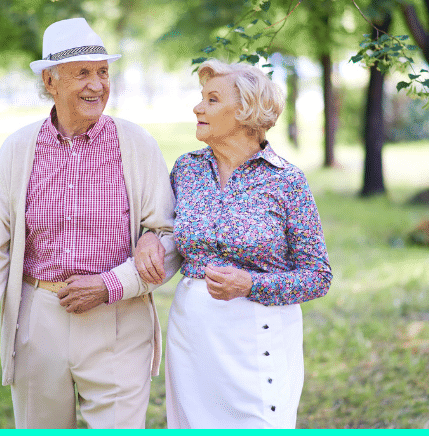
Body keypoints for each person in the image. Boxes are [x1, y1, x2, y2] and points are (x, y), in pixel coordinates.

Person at [0, 17, 179, 429]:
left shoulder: (138, 146)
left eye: (103, 72)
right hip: (38, 320)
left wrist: (111, 283)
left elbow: (169, 240)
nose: (97, 85)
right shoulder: (18, 150)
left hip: (119, 321)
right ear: (49, 81)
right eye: (82, 73)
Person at [138, 59, 333, 428]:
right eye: (202, 98)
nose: (198, 107)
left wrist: (250, 284)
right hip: (192, 336)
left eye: (212, 100)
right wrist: (148, 237)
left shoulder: (287, 181)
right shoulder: (187, 169)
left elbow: (318, 275)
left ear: (245, 112)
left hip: (260, 335)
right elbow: (162, 227)